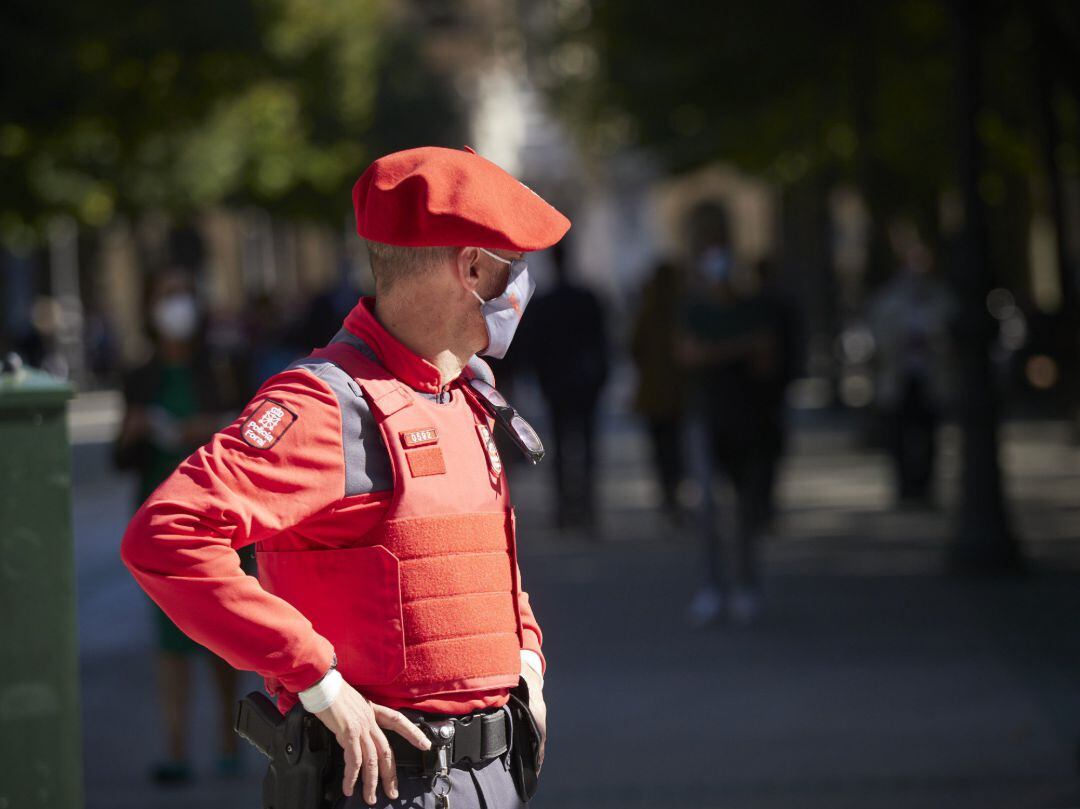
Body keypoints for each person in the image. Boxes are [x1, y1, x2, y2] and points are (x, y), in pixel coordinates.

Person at [121, 146, 569, 808]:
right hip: (387, 784)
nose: (521, 287)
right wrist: (315, 677)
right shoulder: (325, 404)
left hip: (490, 775)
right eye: (514, 267)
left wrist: (526, 660)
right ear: (470, 268)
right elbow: (164, 535)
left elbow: (483, 554)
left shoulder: (465, 389)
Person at [113, 269, 248, 783]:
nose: (176, 306)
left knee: (219, 636)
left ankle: (226, 739)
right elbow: (120, 457)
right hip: (159, 519)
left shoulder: (219, 364)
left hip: (217, 518)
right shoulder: (140, 373)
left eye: (183, 294)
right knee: (168, 641)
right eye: (166, 295)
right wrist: (133, 432)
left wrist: (209, 425)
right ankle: (174, 748)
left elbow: (251, 426)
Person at [676, 202, 782, 626]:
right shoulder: (694, 305)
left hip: (745, 417)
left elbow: (766, 358)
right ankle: (713, 587)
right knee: (708, 508)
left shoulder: (752, 303)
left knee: (743, 508)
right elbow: (687, 354)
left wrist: (715, 352)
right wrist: (740, 347)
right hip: (706, 415)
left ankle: (745, 585)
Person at [520, 242, 609, 532]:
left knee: (559, 447)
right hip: (583, 384)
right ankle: (587, 508)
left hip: (557, 385)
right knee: (585, 446)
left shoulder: (544, 303)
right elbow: (602, 342)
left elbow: (533, 348)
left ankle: (564, 511)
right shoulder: (586, 297)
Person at [868, 239, 954, 506]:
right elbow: (880, 337)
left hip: (929, 376)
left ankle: (925, 488)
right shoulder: (889, 299)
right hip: (899, 377)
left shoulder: (940, 297)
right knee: (898, 437)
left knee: (929, 437)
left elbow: (950, 333)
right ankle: (905, 488)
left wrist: (931, 339)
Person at [630, 261, 687, 525]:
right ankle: (674, 493)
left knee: (662, 447)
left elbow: (634, 349)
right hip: (677, 394)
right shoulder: (681, 312)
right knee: (676, 446)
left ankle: (669, 494)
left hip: (655, 394)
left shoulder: (649, 312)